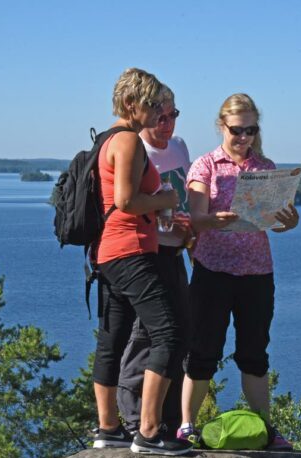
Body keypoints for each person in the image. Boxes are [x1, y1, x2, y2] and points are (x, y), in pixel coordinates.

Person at [178, 93, 299, 450]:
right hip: (212, 271)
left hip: (257, 273)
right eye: (236, 130)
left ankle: (265, 427)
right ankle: (187, 426)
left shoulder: (265, 168)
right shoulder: (206, 166)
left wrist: (288, 222)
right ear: (221, 126)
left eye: (250, 130)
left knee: (254, 353)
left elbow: (274, 223)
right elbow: (196, 216)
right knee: (203, 352)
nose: (243, 137)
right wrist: (212, 220)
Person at [90, 68, 192, 456]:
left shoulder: (105, 139)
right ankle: (149, 432)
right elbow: (127, 201)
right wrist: (166, 201)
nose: (156, 113)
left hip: (107, 252)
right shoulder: (129, 140)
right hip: (130, 248)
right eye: (150, 104)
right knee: (169, 332)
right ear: (131, 104)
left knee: (112, 339)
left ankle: (108, 428)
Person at [117, 85, 193, 438]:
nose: (167, 124)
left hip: (177, 250)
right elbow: (125, 204)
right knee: (149, 334)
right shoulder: (137, 148)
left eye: (173, 115)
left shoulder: (178, 148)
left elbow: (185, 199)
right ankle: (136, 422)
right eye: (160, 116)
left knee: (180, 335)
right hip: (149, 252)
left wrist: (191, 230)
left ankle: (171, 421)